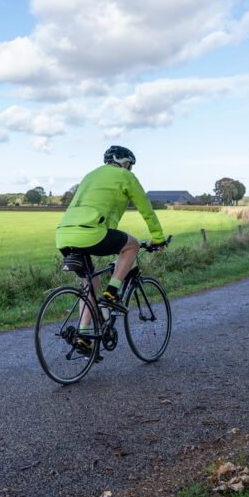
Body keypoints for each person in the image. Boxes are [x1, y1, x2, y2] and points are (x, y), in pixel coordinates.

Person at [56, 145, 166, 355]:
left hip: (63, 236)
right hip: (92, 232)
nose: (130, 169)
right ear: (124, 162)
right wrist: (158, 238)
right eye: (130, 165)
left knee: (90, 284)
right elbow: (146, 209)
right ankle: (112, 293)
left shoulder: (90, 175)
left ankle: (84, 337)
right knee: (131, 245)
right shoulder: (124, 175)